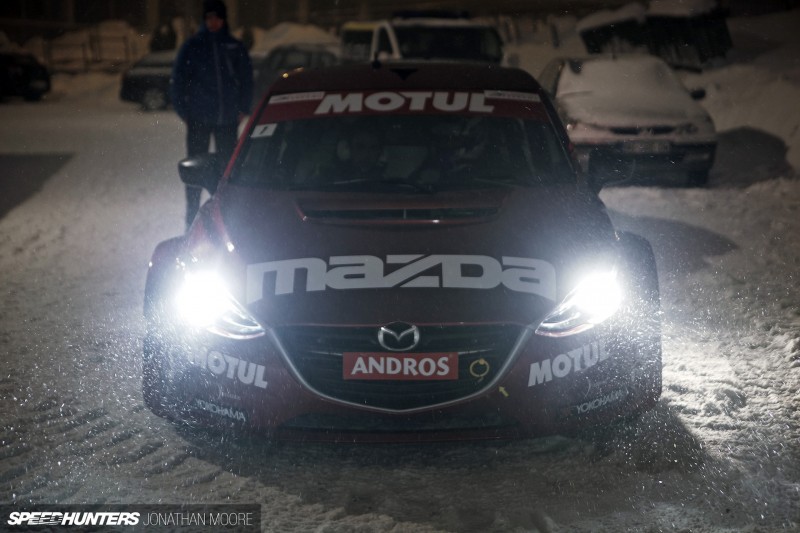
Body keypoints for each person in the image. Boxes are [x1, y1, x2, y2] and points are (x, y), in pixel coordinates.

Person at [171, 0, 253, 230]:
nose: (213, 22)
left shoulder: (234, 47)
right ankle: (192, 217)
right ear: (204, 20)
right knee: (195, 169)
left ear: (224, 20)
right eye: (209, 18)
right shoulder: (193, 47)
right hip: (198, 119)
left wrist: (244, 108)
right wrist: (183, 111)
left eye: (217, 18)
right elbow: (178, 81)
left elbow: (247, 79)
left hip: (227, 119)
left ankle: (225, 214)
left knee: (229, 169)